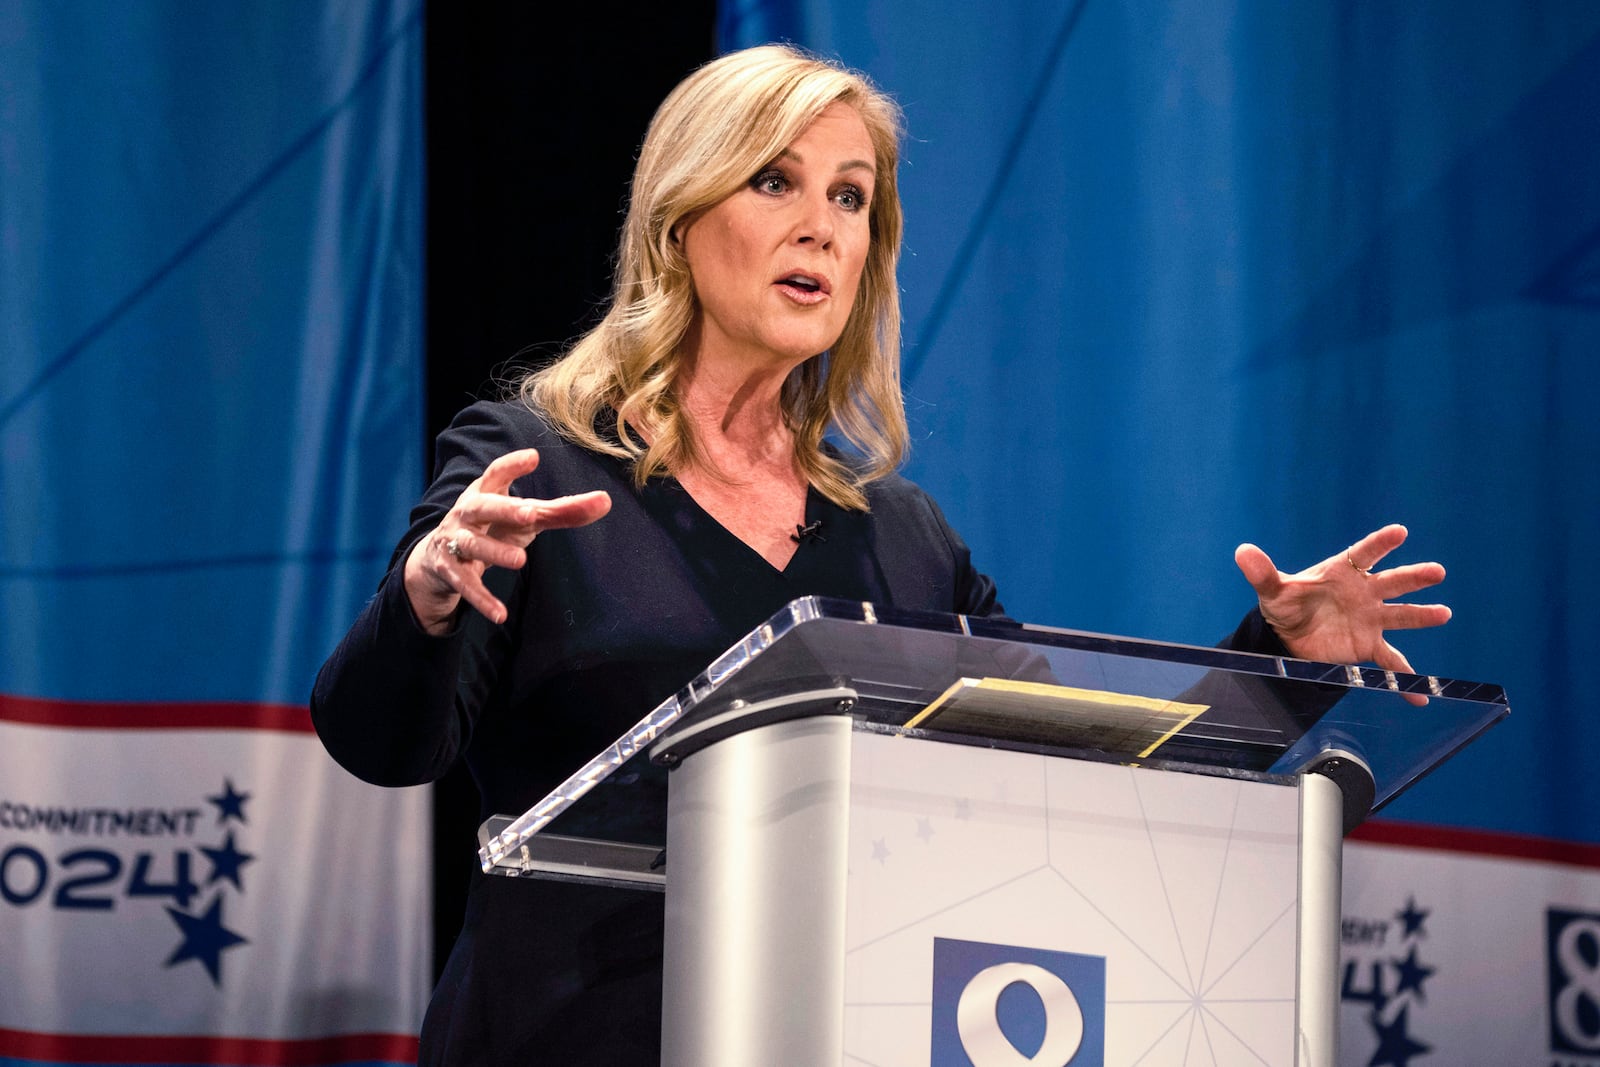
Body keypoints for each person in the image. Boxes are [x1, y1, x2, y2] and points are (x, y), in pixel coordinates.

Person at [310, 44, 1450, 1065]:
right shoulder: (534, 465)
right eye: (776, 181)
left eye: (850, 198)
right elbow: (383, 742)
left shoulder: (900, 536)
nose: (822, 224)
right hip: (569, 1032)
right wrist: (427, 599)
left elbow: (1083, 801)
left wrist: (1276, 662)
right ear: (678, 217)